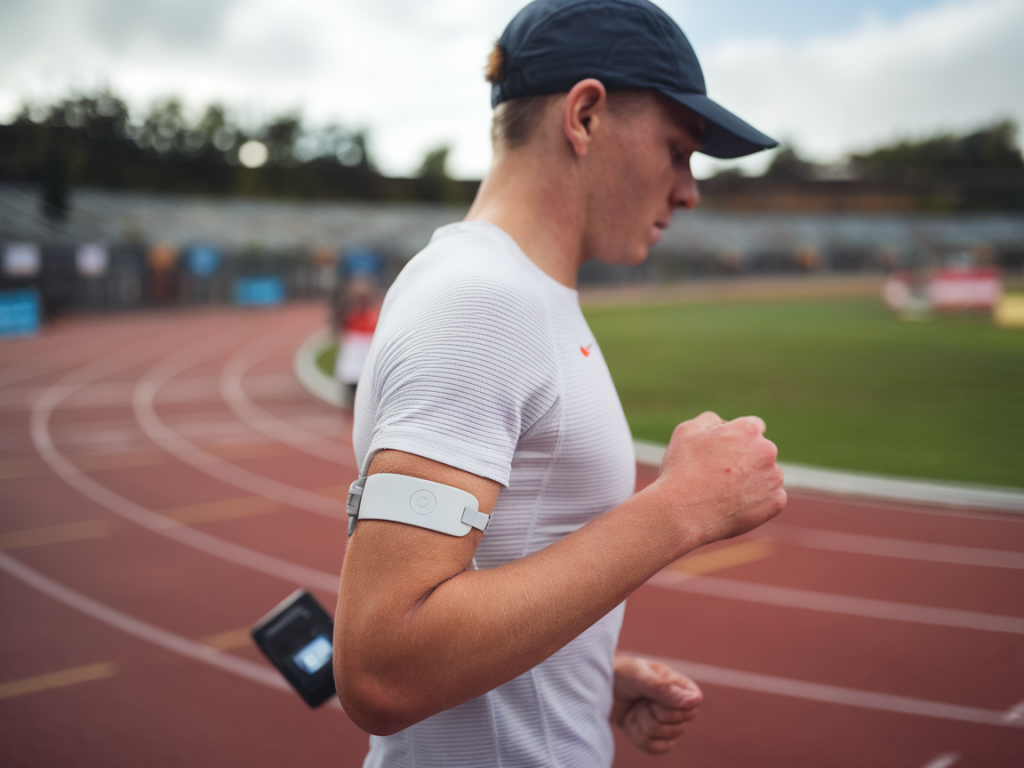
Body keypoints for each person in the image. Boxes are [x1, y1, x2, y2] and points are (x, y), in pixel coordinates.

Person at [333, 1, 786, 765]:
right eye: (679, 150)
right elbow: (382, 666)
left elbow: (491, 568)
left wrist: (577, 674)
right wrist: (679, 509)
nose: (689, 189)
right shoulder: (481, 302)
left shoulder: (505, 291)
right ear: (585, 116)